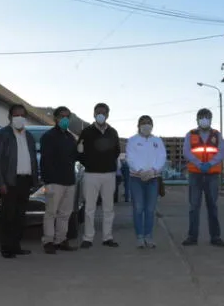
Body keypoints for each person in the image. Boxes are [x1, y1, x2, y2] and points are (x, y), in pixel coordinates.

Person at [0, 104, 38, 258]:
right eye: (16, 115)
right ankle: (6, 248)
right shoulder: (2, 135)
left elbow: (33, 160)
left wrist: (34, 181)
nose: (19, 118)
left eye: (22, 115)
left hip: (25, 181)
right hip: (9, 182)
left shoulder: (29, 136)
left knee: (20, 216)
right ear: (10, 117)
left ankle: (16, 246)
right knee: (7, 216)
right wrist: (1, 183)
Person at [78, 103, 121, 249]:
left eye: (103, 112)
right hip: (91, 174)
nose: (100, 115)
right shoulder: (86, 132)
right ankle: (88, 238)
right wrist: (90, 163)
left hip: (109, 174)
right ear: (94, 114)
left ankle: (107, 237)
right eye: (98, 112)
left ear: (108, 115)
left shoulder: (113, 132)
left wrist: (107, 163)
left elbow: (116, 151)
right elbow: (80, 152)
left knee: (108, 208)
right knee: (90, 208)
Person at [182, 108, 224, 247]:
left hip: (212, 174)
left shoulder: (217, 135)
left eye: (207, 117)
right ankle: (192, 237)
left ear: (211, 119)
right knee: (194, 206)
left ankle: (215, 237)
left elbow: (222, 152)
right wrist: (199, 163)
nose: (204, 119)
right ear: (197, 119)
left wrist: (210, 164)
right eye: (202, 117)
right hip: (195, 174)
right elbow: (186, 152)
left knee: (212, 205)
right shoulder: (191, 134)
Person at [40, 106, 79, 254]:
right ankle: (48, 241)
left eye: (67, 116)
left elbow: (75, 157)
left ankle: (61, 240)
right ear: (55, 118)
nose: (65, 119)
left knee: (65, 213)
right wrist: (47, 181)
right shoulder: (48, 136)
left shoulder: (70, 138)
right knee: (51, 213)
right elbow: (45, 160)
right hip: (54, 181)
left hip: (69, 180)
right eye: (62, 116)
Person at [125, 115, 166, 248]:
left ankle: (148, 236)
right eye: (143, 123)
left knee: (150, 209)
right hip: (136, 178)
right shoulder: (132, 141)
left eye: (149, 123)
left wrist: (154, 171)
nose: (146, 125)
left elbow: (162, 157)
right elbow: (130, 158)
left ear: (152, 125)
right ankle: (140, 237)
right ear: (138, 125)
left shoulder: (157, 141)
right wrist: (140, 171)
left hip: (153, 179)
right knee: (138, 208)